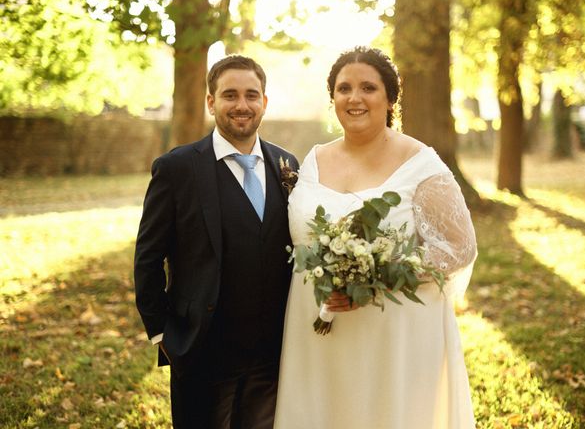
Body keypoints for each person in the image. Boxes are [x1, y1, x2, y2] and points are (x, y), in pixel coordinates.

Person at [274, 46, 477, 428]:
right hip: (317, 329)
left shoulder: (421, 163)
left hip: (394, 332)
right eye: (343, 88)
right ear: (332, 97)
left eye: (368, 87)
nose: (354, 98)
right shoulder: (313, 160)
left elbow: (460, 246)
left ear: (390, 98)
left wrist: (375, 277)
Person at [134, 54, 299, 429]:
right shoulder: (177, 168)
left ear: (264, 102)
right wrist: (162, 332)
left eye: (251, 95)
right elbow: (148, 256)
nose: (242, 105)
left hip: (272, 355)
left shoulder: (287, 165)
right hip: (202, 351)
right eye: (230, 95)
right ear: (212, 102)